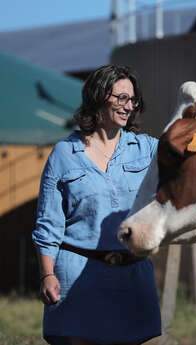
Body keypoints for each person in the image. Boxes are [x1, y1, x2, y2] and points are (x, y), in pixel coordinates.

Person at [32, 65, 162, 345]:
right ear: (99, 97)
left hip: (131, 277)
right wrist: (47, 274)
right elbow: (48, 223)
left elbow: (186, 154)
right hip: (78, 279)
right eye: (122, 98)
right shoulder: (64, 154)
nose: (129, 106)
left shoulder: (147, 149)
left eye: (133, 100)